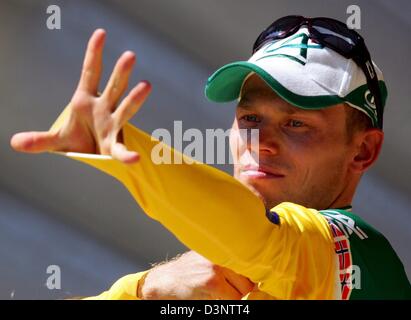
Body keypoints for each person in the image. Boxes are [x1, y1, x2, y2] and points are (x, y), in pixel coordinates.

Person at [10, 16, 411, 300]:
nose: (261, 142)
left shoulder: (366, 262)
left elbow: (262, 240)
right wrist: (146, 290)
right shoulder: (217, 271)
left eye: (296, 124)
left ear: (363, 150)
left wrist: (120, 146)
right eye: (250, 118)